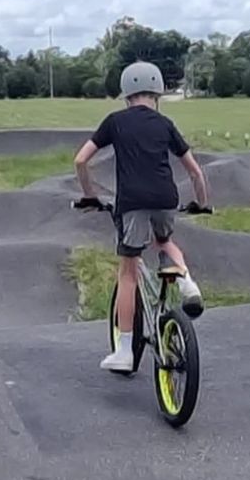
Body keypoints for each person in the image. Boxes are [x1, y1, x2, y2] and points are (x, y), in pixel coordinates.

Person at [74, 60, 211, 372]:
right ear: (157, 93)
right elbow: (195, 172)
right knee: (164, 242)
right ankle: (188, 283)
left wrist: (90, 196)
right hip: (165, 198)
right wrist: (201, 204)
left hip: (132, 203)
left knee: (128, 272)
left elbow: (81, 160)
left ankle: (124, 351)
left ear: (126, 94)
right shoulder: (165, 124)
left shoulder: (115, 121)